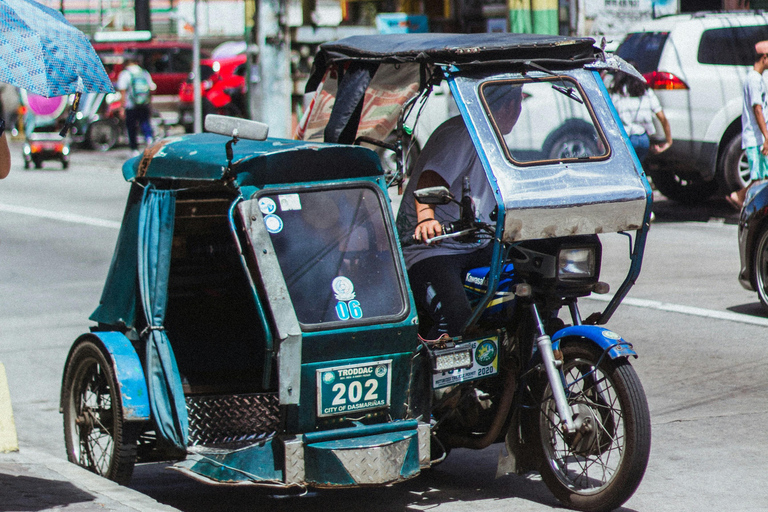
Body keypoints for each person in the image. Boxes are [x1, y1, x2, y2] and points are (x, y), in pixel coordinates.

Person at [396, 84, 522, 338]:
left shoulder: (493, 138)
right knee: (455, 317)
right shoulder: (463, 133)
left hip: (475, 244)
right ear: (511, 104)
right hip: (433, 247)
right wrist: (427, 218)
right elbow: (431, 178)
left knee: (529, 286)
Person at [728, 41, 768, 210]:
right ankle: (742, 200)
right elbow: (757, 109)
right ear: (764, 58)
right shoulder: (753, 80)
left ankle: (741, 198)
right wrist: (766, 136)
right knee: (758, 179)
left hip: (758, 136)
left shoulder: (757, 79)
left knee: (760, 176)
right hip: (755, 136)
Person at [607, 66, 672, 164]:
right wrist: (668, 140)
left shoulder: (616, 92)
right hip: (643, 139)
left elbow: (608, 117)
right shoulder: (646, 92)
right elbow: (662, 117)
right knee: (638, 168)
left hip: (624, 138)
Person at [116, 56, 156, 156]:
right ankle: (149, 140)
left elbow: (123, 92)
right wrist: (149, 103)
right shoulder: (144, 73)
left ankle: (134, 149)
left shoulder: (125, 74)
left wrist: (122, 108)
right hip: (144, 104)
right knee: (145, 123)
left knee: (131, 127)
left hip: (130, 105)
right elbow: (151, 89)